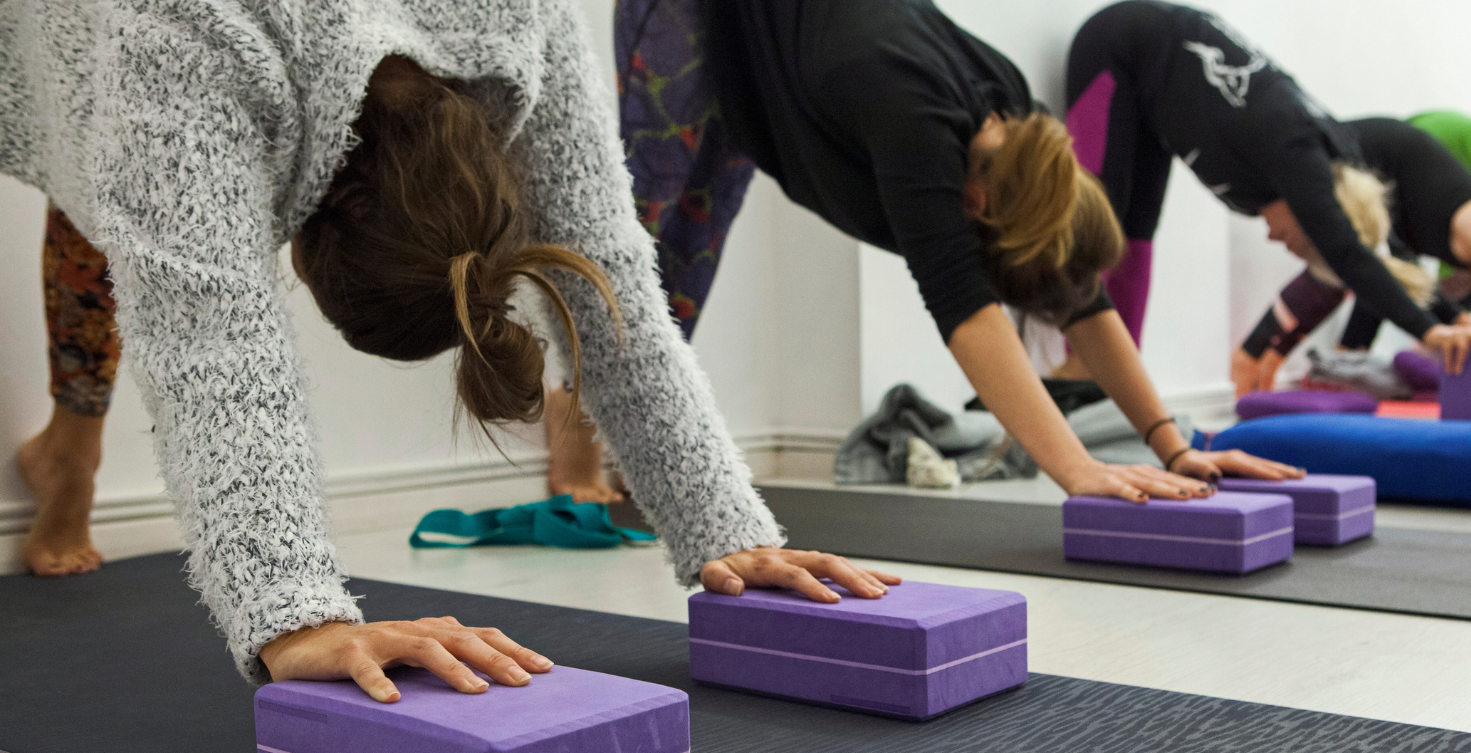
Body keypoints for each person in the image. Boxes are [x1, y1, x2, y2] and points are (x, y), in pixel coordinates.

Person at [4, 0, 900, 698]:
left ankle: (66, 448)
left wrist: (728, 534)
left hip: (168, 74)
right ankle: (71, 454)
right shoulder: (193, 39)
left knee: (125, 196)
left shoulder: (522, 25)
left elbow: (610, 284)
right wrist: (295, 616)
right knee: (125, 192)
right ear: (314, 212)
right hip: (96, 37)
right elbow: (214, 336)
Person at [552, 0, 1304, 510]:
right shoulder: (916, 128)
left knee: (687, 255)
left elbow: (1084, 300)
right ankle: (574, 470)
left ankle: (632, 458)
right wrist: (1077, 469)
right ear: (977, 206)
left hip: (777, 55)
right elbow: (968, 314)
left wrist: (1174, 445)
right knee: (642, 229)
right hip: (697, 15)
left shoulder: (1023, 131)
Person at [1061, 1, 1471, 394]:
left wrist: (1455, 320)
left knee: (1135, 231)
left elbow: (1383, 251)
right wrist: (1427, 332)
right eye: (1302, 244)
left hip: (1155, 87)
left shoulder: (1334, 164)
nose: (1279, 243)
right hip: (1119, 44)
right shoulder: (1299, 158)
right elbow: (1348, 253)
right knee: (1098, 220)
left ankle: (1117, 367)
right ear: (1315, 216)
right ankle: (1083, 362)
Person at [1236, 117, 1471, 390]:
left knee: (1361, 269)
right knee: (1337, 264)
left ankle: (1262, 366)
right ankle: (1252, 361)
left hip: (1386, 171)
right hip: (1361, 155)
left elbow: (1425, 291)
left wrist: (1461, 323)